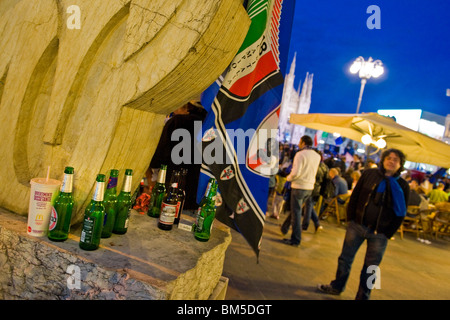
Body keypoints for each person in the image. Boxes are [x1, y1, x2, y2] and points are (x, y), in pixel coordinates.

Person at [317, 148, 409, 300]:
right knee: (345, 258)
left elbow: (401, 212)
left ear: (400, 164)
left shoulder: (402, 185)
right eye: (389, 158)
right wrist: (351, 218)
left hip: (380, 234)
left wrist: (388, 233)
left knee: (372, 268)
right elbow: (355, 197)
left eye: (396, 160)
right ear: (383, 159)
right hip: (358, 226)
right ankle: (336, 286)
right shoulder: (369, 174)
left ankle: (363, 296)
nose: (392, 161)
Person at [148, 100, 207, 210]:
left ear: (185, 107)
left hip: (174, 179)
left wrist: (153, 169)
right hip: (199, 186)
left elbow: (161, 153)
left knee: (170, 211)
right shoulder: (210, 124)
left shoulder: (177, 121)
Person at [280, 135, 320, 246]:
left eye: (299, 141)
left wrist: (288, 178)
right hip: (309, 187)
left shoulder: (300, 154)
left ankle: (296, 239)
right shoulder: (317, 156)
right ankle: (284, 228)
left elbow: (296, 173)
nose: (298, 144)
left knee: (296, 214)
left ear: (303, 143)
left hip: (299, 186)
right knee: (296, 210)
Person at [302, 150, 327, 232]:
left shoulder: (316, 165)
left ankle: (305, 225)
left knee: (308, 207)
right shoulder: (324, 167)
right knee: (310, 206)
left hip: (312, 187)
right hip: (318, 189)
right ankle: (317, 224)